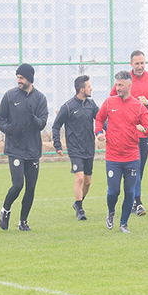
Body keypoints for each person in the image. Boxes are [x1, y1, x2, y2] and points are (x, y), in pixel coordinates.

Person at [96, 71, 148, 233]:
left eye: (121, 85)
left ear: (129, 86)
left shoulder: (138, 106)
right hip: (113, 157)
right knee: (113, 191)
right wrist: (99, 132)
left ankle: (123, 224)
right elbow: (99, 119)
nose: (118, 87)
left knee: (130, 191)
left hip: (132, 157)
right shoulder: (109, 102)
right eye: (117, 84)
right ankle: (111, 211)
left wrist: (145, 130)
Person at [109, 50, 148, 216]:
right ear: (131, 64)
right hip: (128, 133)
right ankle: (137, 202)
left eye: (142, 63)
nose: (140, 66)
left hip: (145, 132)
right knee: (133, 167)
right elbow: (112, 98)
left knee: (138, 169)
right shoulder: (125, 81)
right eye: (137, 63)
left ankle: (132, 199)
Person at [0, 63, 48, 231]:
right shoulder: (10, 96)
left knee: (31, 187)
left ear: (30, 79)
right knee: (18, 184)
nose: (19, 81)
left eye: (22, 78)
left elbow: (42, 124)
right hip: (15, 149)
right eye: (17, 77)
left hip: (33, 150)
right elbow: (0, 120)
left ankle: (23, 221)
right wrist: (10, 129)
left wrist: (33, 118)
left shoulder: (40, 98)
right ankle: (5, 209)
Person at [52, 75, 99, 221]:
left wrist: (109, 131)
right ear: (81, 89)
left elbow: (102, 120)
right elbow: (56, 126)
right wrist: (57, 144)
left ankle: (78, 203)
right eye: (89, 86)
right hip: (75, 149)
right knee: (79, 177)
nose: (91, 89)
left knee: (87, 181)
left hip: (89, 148)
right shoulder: (68, 106)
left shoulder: (92, 105)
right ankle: (80, 208)